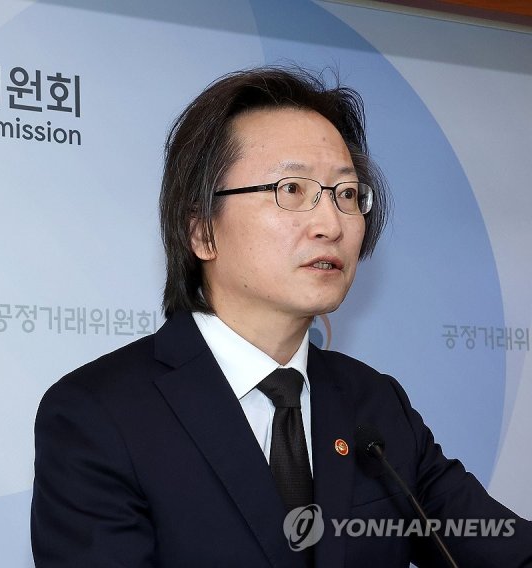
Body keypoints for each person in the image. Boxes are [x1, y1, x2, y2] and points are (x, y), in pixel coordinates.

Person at [30, 67, 532, 567]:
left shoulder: (375, 406)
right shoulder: (99, 415)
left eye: (347, 194)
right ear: (202, 232)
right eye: (291, 190)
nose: (331, 223)